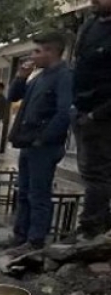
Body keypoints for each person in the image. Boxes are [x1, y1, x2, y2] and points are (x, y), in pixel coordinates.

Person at [0, 32, 73, 257]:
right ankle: (20, 235)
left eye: (37, 51)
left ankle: (36, 240)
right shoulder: (39, 76)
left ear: (51, 51)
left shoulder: (64, 75)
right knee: (24, 191)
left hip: (44, 146)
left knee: (39, 194)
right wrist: (20, 76)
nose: (32, 56)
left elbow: (64, 112)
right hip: (28, 143)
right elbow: (14, 97)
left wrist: (44, 138)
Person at [64, 0, 111, 243]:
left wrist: (97, 115)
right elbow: (78, 64)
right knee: (90, 172)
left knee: (97, 174)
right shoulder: (90, 25)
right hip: (82, 110)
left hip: (101, 116)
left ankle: (91, 228)